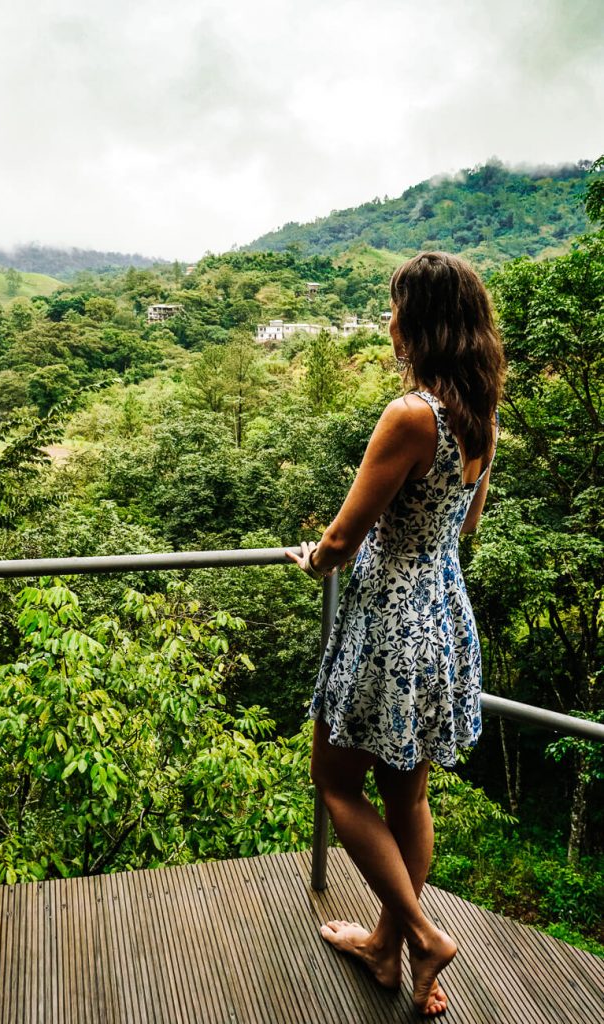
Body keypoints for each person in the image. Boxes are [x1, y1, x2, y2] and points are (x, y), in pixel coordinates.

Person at [287, 251, 506, 1017]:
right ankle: (386, 949)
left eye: (393, 308)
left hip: (388, 625)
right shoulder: (480, 417)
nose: (387, 322)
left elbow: (343, 542)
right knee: (407, 796)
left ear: (417, 323)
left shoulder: (411, 415)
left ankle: (419, 933)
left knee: (335, 781)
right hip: (443, 615)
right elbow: (465, 524)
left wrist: (310, 558)